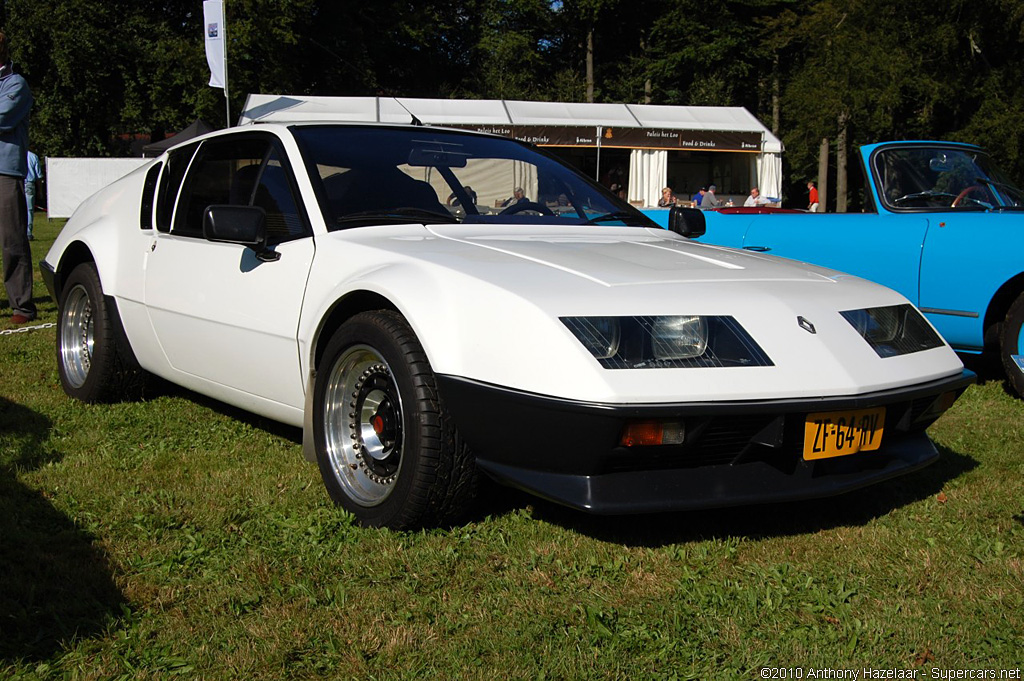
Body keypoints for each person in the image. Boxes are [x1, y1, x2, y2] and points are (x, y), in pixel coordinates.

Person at [0, 32, 35, 325]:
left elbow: (4, 117)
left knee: (12, 240)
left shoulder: (16, 84)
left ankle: (21, 306)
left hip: (5, 172)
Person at [25, 148, 40, 239]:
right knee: (29, 210)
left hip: (17, 182)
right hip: (30, 184)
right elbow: (38, 175)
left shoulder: (18, 154)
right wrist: (40, 191)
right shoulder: (33, 156)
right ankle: (28, 233)